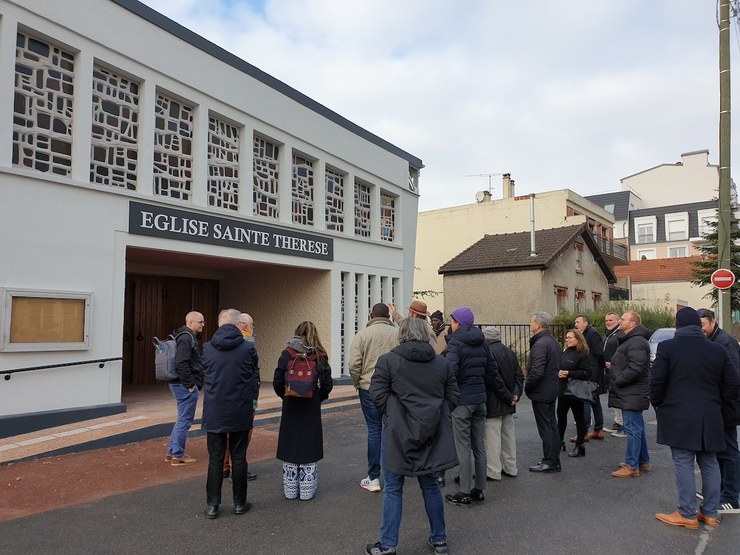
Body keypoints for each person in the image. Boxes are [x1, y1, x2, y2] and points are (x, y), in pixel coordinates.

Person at [365, 318, 459, 555]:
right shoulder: (441, 363)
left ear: (401, 334)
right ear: (426, 334)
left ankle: (388, 545)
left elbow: (376, 393)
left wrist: (394, 413)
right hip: (432, 432)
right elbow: (453, 396)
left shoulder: (388, 361)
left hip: (397, 432)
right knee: (430, 486)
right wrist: (436, 415)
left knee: (394, 487)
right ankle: (439, 540)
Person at [652, 307, 740, 528]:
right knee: (709, 462)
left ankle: (687, 513)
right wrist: (717, 403)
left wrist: (659, 403)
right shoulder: (717, 349)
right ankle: (710, 512)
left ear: (677, 324)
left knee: (683, 461)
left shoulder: (667, 347)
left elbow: (656, 382)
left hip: (678, 413)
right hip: (711, 414)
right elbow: (732, 384)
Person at [201, 309, 260, 519]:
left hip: (215, 411)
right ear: (238, 325)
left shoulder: (207, 348)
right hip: (240, 410)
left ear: (219, 324)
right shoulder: (248, 348)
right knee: (239, 457)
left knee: (215, 459)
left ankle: (212, 505)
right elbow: (254, 376)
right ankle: (239, 503)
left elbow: (203, 375)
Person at [273, 321, 334, 501]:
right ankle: (307, 490)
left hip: (291, 404)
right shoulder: (320, 355)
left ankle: (290, 489)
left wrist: (286, 396)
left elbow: (277, 381)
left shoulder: (287, 353)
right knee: (309, 443)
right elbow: (327, 384)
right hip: (311, 405)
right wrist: (317, 397)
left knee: (290, 442)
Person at [349, 303, 400, 493]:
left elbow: (354, 364)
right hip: (393, 388)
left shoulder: (362, 334)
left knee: (374, 430)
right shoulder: (397, 334)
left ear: (371, 315)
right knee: (391, 429)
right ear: (388, 316)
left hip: (368, 387)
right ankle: (394, 474)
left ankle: (373, 478)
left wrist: (358, 382)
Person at [443, 307, 489, 505]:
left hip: (462, 401)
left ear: (458, 323)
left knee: (463, 447)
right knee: (479, 445)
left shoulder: (455, 342)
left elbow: (450, 371)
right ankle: (479, 489)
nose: (451, 325)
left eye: (451, 321)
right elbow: (491, 369)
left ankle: (464, 492)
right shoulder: (482, 342)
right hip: (480, 399)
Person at [698, 307, 740, 514]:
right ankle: (722, 491)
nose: (700, 329)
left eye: (703, 325)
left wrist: (720, 402)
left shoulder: (725, 343)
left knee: (729, 451)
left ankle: (732, 497)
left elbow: (733, 380)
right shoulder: (714, 341)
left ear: (712, 322)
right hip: (721, 405)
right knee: (722, 450)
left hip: (728, 406)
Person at [608, 311, 651, 478]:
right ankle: (643, 461)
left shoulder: (636, 342)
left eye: (623, 319)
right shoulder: (633, 340)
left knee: (632, 428)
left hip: (632, 392)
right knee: (637, 427)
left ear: (633, 324)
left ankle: (632, 465)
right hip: (631, 392)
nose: (620, 321)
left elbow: (636, 367)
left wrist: (619, 379)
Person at [482, 326, 523, 480]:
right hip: (509, 403)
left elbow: (494, 380)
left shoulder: (487, 353)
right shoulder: (509, 352)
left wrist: (507, 396)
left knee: (492, 438)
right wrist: (515, 395)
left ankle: (494, 471)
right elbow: (519, 376)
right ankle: (511, 467)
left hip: (493, 402)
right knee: (508, 437)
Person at [223, 313, 259, 482]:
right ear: (244, 326)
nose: (253, 329)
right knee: (243, 433)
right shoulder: (247, 344)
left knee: (227, 432)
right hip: (245, 396)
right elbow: (251, 371)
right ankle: (237, 467)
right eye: (252, 325)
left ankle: (225, 467)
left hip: (227, 395)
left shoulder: (225, 341)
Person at [165, 311, 204, 467]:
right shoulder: (186, 338)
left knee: (181, 419)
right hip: (184, 385)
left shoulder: (182, 336)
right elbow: (181, 362)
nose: (203, 324)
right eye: (200, 322)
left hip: (178, 383)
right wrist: (190, 384)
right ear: (191, 322)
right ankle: (178, 455)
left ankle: (172, 452)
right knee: (185, 420)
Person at [525, 312, 562, 473]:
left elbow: (537, 371)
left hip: (542, 391)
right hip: (551, 388)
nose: (530, 324)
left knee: (546, 427)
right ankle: (554, 459)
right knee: (551, 425)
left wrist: (528, 387)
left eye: (531, 321)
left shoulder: (540, 344)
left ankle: (549, 461)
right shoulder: (552, 341)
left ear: (538, 325)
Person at [557, 329, 595, 458]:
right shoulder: (565, 352)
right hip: (563, 390)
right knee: (561, 416)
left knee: (579, 418)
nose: (567, 340)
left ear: (578, 339)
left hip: (576, 391)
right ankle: (559, 441)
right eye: (566, 337)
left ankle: (580, 446)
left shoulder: (583, 354)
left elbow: (587, 373)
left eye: (570, 337)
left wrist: (569, 373)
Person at [574, 315, 605, 442]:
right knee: (594, 401)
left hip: (591, 373)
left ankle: (584, 432)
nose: (575, 324)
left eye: (578, 322)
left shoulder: (592, 334)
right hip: (591, 371)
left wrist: (601, 367)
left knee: (585, 401)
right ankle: (598, 430)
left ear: (585, 323)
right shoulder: (585, 334)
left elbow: (599, 353)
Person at [602, 312, 626, 438]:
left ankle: (623, 425)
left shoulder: (620, 335)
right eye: (606, 320)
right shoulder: (609, 334)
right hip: (610, 371)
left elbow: (623, 353)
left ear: (618, 321)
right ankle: (618, 422)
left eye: (611, 320)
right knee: (614, 396)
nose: (608, 322)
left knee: (620, 396)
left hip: (618, 370)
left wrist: (614, 364)